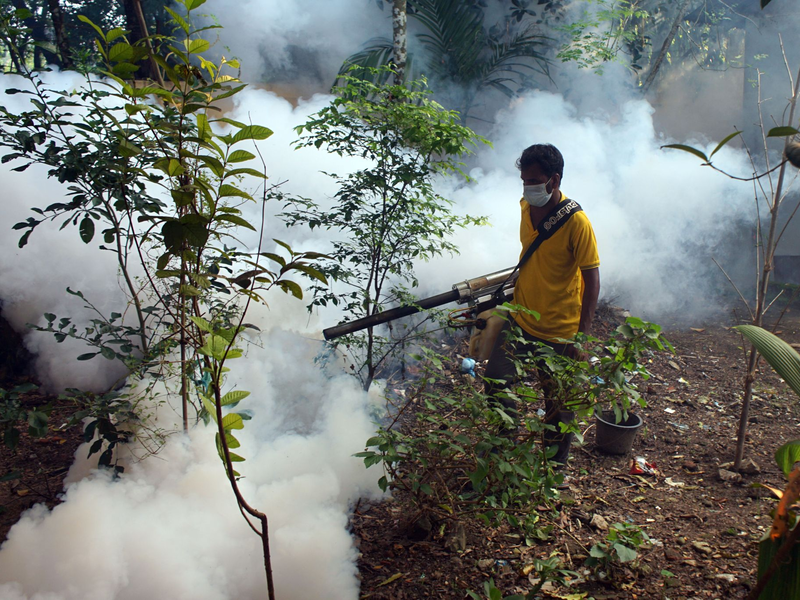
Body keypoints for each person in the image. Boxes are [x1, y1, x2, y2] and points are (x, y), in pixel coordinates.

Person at [483, 143, 600, 469]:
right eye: (524, 180)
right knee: (495, 381)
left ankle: (552, 472)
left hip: (560, 331)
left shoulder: (577, 223)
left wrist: (582, 336)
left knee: (559, 407)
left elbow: (592, 280)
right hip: (521, 318)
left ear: (554, 180)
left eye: (534, 181)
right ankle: (502, 451)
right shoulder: (525, 206)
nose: (527, 188)